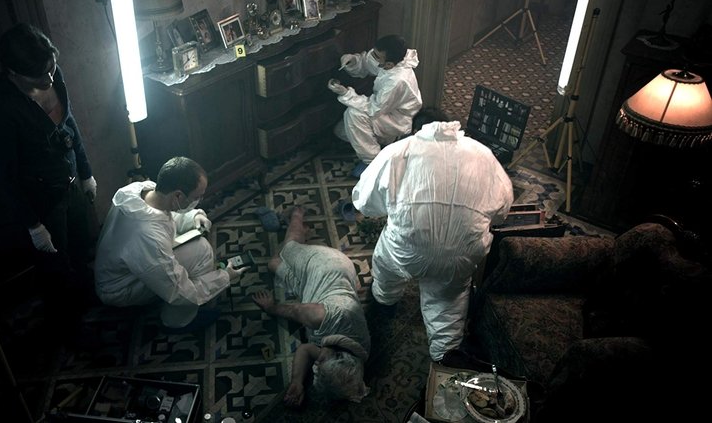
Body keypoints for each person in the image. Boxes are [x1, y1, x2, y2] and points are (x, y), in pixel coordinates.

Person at [351, 108, 514, 362]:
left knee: (386, 263)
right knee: (449, 301)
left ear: (416, 130)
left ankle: (385, 302)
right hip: (461, 257)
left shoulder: (398, 152)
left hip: (407, 253)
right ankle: (445, 357)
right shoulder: (483, 154)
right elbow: (502, 211)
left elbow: (364, 202)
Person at [0, 23, 98, 332]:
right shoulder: (1, 106)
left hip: (72, 183)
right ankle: (66, 326)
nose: (49, 79)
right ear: (14, 73)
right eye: (40, 76)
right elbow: (7, 172)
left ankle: (87, 304)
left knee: (82, 248)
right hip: (43, 201)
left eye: (52, 68)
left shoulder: (53, 74)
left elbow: (70, 124)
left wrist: (86, 173)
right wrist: (33, 224)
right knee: (55, 268)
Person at [94, 156, 247, 331]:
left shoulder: (140, 190)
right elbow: (180, 292)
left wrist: (194, 216)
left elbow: (166, 215)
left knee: (198, 248)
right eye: (197, 197)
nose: (199, 200)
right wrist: (224, 277)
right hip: (121, 288)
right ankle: (177, 321)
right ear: (178, 195)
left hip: (120, 270)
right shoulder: (149, 236)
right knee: (202, 252)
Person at [251, 206, 371, 406]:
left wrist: (297, 381)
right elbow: (293, 310)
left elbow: (306, 350)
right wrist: (271, 308)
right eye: (320, 363)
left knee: (273, 264)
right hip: (328, 265)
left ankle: (302, 245)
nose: (316, 364)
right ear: (336, 355)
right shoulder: (317, 316)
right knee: (288, 249)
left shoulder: (353, 356)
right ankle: (297, 213)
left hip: (315, 284)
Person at [328, 34, 423, 178]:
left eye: (377, 56)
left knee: (353, 114)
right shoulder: (392, 61)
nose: (373, 56)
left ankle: (373, 163)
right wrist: (353, 61)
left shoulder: (397, 81)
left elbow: (374, 109)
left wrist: (345, 93)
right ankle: (386, 142)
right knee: (342, 131)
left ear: (389, 64)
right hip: (386, 111)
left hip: (397, 120)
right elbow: (370, 62)